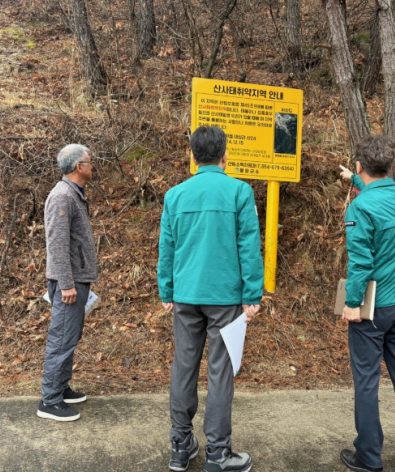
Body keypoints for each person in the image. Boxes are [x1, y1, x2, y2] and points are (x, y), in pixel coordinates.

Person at [158, 126, 264, 472]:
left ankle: (180, 445)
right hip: (225, 297)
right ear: (225, 155)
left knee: (184, 366)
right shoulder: (239, 191)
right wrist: (252, 294)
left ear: (193, 157)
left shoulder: (175, 195)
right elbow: (249, 247)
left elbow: (167, 247)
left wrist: (166, 289)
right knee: (220, 372)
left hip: (186, 294)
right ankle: (218, 454)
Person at [338, 136, 395, 472]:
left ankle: (369, 457)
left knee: (366, 380)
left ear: (361, 164)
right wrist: (356, 180)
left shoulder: (360, 209)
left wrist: (351, 303)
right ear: (390, 166)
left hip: (374, 307)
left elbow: (361, 262)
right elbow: (381, 198)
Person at [37, 144, 98, 422]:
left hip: (76, 280)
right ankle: (49, 400)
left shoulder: (74, 194)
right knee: (61, 340)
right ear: (79, 167)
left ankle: (60, 387)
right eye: (89, 161)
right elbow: (57, 244)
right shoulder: (62, 196)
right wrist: (66, 284)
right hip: (69, 284)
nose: (92, 166)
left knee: (68, 338)